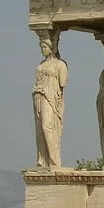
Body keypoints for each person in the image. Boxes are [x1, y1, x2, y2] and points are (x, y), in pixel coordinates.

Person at [32, 37, 68, 168]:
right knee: (39, 130)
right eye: (41, 47)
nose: (42, 50)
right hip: (38, 96)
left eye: (45, 47)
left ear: (52, 48)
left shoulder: (60, 65)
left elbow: (62, 84)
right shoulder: (41, 64)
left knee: (46, 127)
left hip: (50, 97)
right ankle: (43, 160)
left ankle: (54, 160)